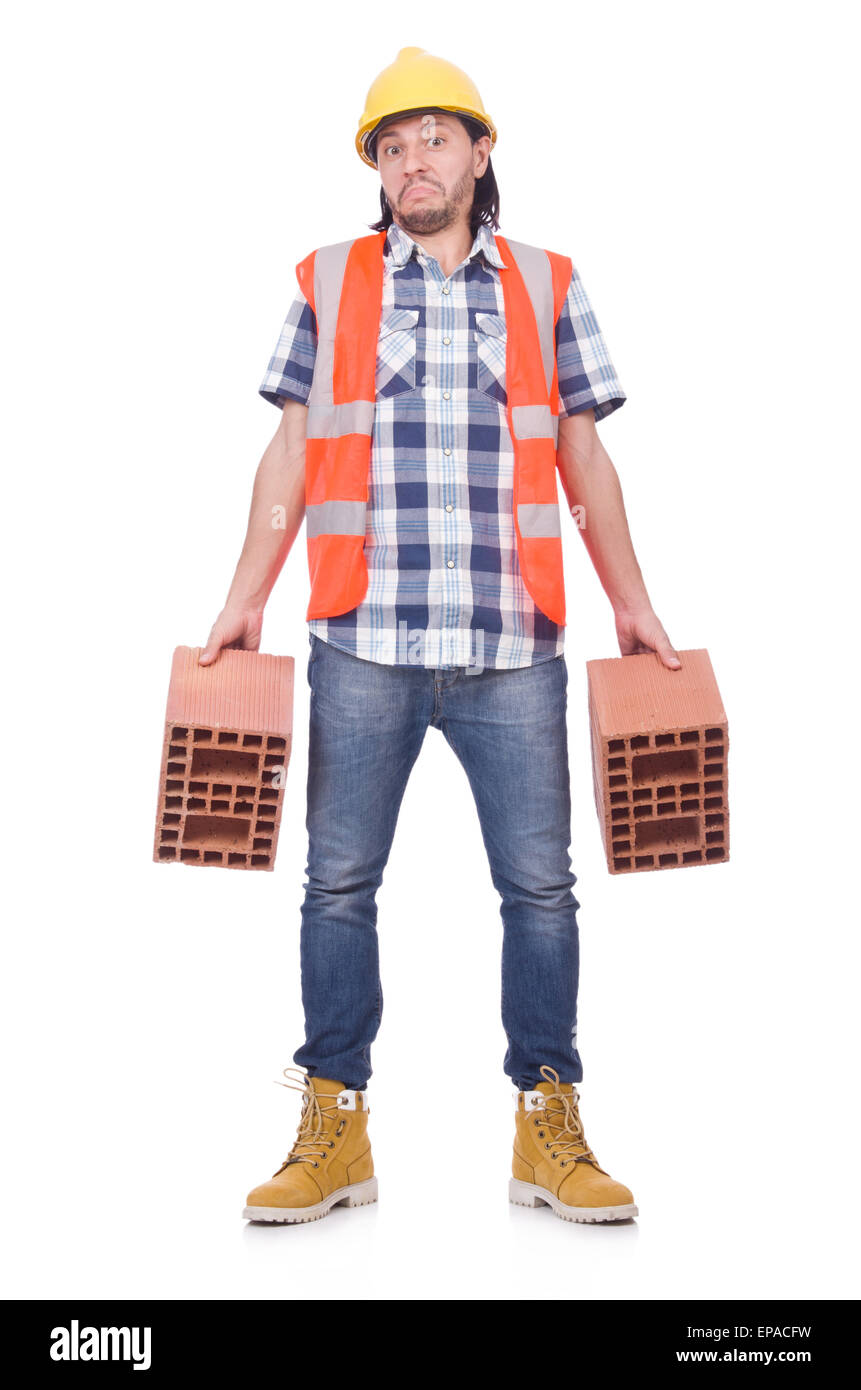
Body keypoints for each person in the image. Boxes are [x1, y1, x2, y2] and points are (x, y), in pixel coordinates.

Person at [200, 47, 681, 1226]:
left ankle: (549, 1123)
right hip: (361, 637)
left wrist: (634, 597)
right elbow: (287, 448)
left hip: (514, 644)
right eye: (391, 145)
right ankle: (333, 1124)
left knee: (542, 894)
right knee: (337, 889)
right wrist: (244, 589)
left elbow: (584, 457)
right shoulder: (327, 279)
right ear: (378, 169)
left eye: (433, 138)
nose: (412, 161)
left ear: (480, 153)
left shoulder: (550, 282)